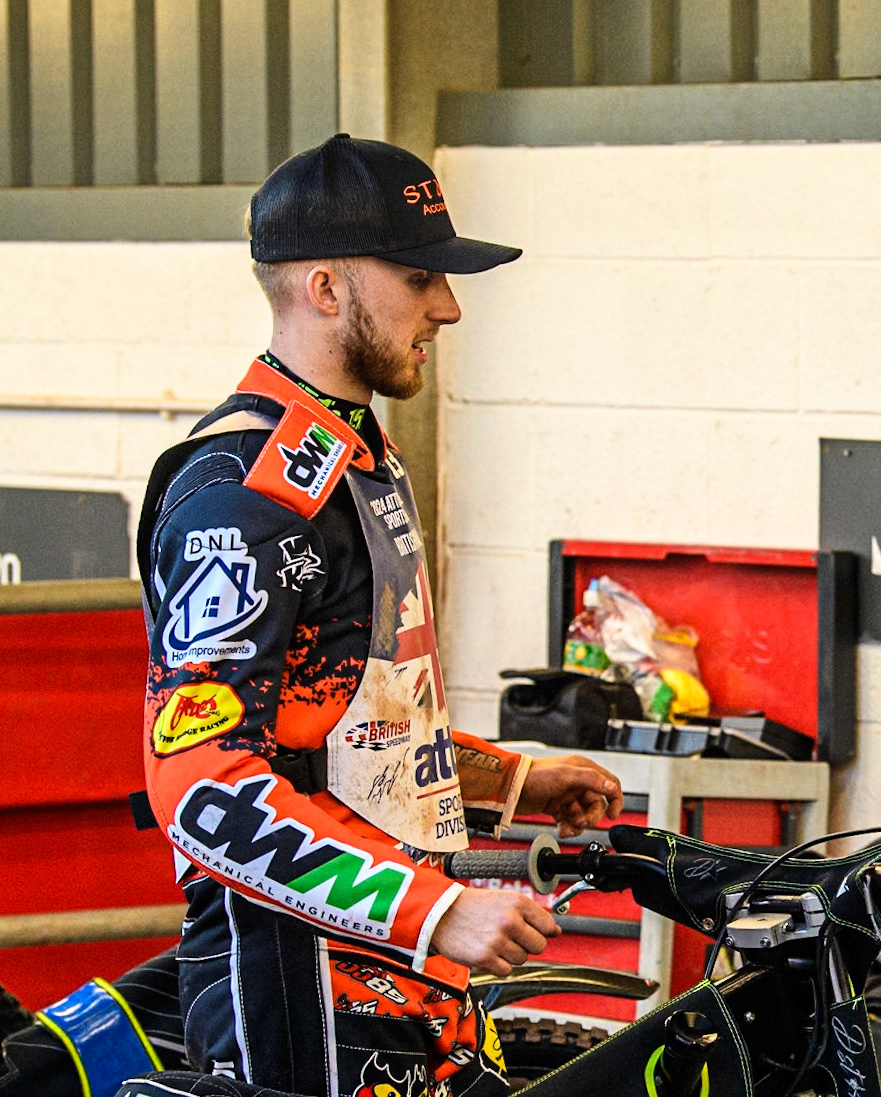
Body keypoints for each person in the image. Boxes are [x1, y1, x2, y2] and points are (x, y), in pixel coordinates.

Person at [134, 134, 623, 1096]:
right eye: (417, 276)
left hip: (399, 975)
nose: (446, 305)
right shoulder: (243, 492)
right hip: (296, 984)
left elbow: (354, 731)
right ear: (324, 288)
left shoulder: (356, 455)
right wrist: (433, 909)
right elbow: (199, 781)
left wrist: (515, 780)